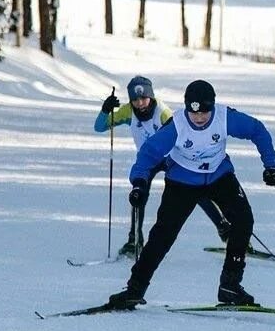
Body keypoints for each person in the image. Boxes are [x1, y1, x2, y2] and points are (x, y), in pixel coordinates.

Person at [107, 79, 275, 308]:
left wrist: (271, 166)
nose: (199, 118)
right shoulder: (177, 125)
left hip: (219, 176)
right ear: (187, 107)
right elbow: (148, 153)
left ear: (213, 107)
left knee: (243, 220)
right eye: (193, 112)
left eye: (204, 113)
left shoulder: (224, 117)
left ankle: (230, 285)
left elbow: (257, 130)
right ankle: (134, 289)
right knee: (162, 236)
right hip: (182, 181)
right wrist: (138, 183)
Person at [95, 76, 233, 256]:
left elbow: (184, 134)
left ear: (151, 96)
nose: (140, 104)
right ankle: (134, 239)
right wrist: (106, 110)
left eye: (143, 98)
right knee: (139, 193)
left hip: (171, 158)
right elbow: (100, 127)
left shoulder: (163, 112)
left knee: (195, 190)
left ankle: (224, 228)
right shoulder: (128, 111)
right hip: (150, 159)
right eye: (135, 100)